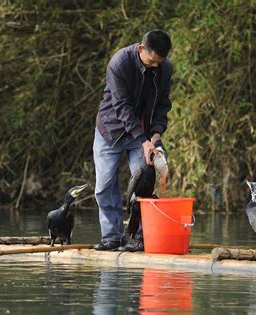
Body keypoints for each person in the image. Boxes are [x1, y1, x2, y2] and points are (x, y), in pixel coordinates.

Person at [93, 29, 173, 251]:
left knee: (144, 183)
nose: (155, 66)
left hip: (144, 133)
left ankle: (140, 238)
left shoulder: (165, 68)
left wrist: (155, 137)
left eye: (160, 61)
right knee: (104, 185)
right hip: (111, 130)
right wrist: (143, 139)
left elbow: (163, 105)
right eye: (152, 61)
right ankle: (113, 237)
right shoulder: (119, 63)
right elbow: (121, 107)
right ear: (141, 49)